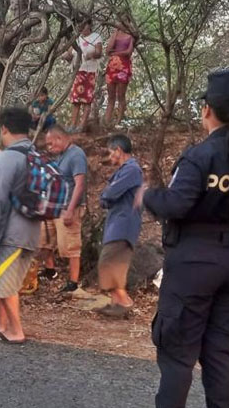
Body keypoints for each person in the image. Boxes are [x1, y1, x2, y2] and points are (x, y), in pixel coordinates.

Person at [135, 69, 229, 408]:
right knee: (220, 350)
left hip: (195, 263)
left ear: (207, 110)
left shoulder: (200, 156)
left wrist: (147, 195)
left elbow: (176, 204)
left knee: (178, 353)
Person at [0, 107, 40, 345]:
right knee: (5, 279)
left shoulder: (7, 158)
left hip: (9, 234)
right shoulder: (35, 155)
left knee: (4, 283)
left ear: (4, 128)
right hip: (31, 232)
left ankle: (16, 330)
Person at [96, 134, 143, 318]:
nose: (110, 157)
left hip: (123, 223)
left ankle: (124, 301)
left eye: (110, 153)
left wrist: (105, 195)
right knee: (115, 263)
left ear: (118, 150)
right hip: (118, 222)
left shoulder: (132, 170)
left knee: (108, 261)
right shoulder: (125, 170)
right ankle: (116, 304)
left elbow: (110, 194)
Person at [37, 126, 88, 295]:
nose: (49, 147)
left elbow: (79, 184)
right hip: (53, 207)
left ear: (60, 138)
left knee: (71, 246)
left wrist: (70, 209)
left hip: (68, 207)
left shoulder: (76, 155)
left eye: (51, 144)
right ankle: (50, 270)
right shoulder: (60, 156)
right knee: (45, 240)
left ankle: (73, 282)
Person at [63, 20, 103, 132]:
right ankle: (72, 125)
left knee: (87, 99)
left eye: (83, 25)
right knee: (76, 99)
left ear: (89, 25)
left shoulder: (96, 37)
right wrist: (66, 56)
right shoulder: (77, 38)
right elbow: (70, 53)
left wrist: (91, 54)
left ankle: (82, 125)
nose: (81, 28)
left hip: (90, 72)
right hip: (78, 71)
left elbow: (99, 53)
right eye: (79, 25)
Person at [104, 20, 135, 126]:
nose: (122, 23)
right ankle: (106, 122)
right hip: (112, 66)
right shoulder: (115, 34)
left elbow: (128, 52)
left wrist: (116, 52)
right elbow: (108, 51)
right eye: (121, 21)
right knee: (111, 96)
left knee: (121, 95)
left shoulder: (131, 35)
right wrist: (116, 33)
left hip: (124, 67)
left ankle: (118, 122)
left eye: (125, 21)